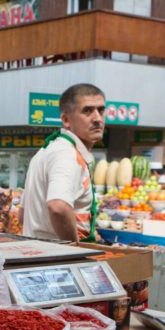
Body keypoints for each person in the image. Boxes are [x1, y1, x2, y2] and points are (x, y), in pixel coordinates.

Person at [20, 83, 103, 241]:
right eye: (87, 111)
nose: (97, 118)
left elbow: (22, 215)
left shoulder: (46, 151)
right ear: (66, 119)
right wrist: (74, 249)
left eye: (101, 110)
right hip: (55, 260)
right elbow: (58, 207)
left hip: (37, 255)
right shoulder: (67, 153)